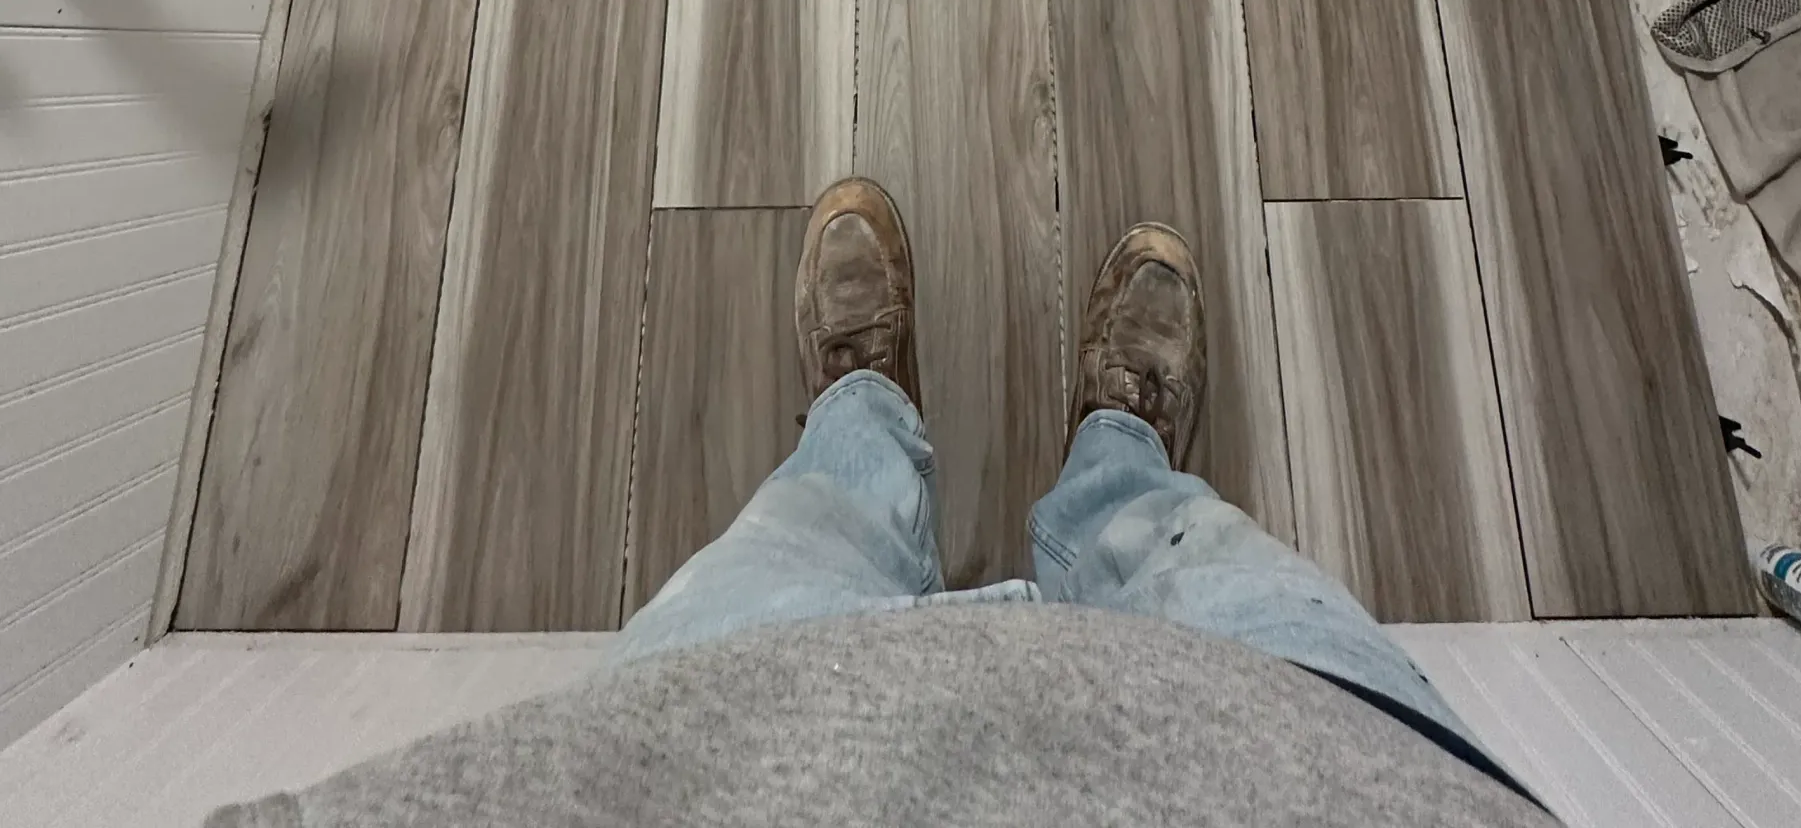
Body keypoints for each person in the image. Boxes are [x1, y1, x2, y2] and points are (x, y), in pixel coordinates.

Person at [211, 179, 1544, 825]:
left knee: (811, 522)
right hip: (1313, 757)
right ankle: (1121, 442)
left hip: (700, 744)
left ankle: (863, 407)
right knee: (1188, 550)